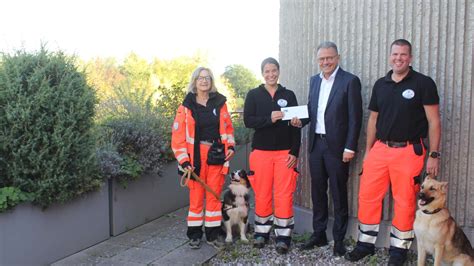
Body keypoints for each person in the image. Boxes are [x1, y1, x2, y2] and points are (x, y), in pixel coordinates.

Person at [345, 39, 441, 265]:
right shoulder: (381, 84)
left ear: (411, 58)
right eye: (395, 54)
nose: (399, 58)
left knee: (406, 200)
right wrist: (369, 151)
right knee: (367, 197)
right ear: (390, 56)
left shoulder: (423, 83)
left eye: (403, 55)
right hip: (380, 149)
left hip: (409, 150)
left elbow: (434, 121)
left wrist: (434, 155)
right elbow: (373, 120)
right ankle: (365, 244)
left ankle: (399, 250)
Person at [291, 41, 363, 256]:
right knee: (318, 191)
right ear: (318, 60)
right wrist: (299, 121)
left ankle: (339, 239)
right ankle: (319, 234)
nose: (325, 62)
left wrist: (350, 146)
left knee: (339, 193)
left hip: (338, 147)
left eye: (329, 58)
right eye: (322, 59)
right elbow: (312, 110)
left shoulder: (350, 81)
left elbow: (355, 118)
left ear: (337, 58)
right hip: (316, 145)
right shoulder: (314, 81)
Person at [171, 66, 235, 249]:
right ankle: (194, 235)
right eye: (200, 78)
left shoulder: (220, 103)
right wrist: (184, 161)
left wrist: (230, 146)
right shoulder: (185, 106)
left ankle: (213, 235)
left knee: (214, 195)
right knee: (197, 197)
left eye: (207, 77)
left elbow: (228, 129)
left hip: (216, 155)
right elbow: (178, 138)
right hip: (195, 157)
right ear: (195, 81)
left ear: (211, 81)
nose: (204, 81)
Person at [243, 57, 301, 254]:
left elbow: (297, 126)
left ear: (278, 71)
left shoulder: (289, 94)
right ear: (262, 73)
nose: (271, 74)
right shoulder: (253, 95)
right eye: (267, 71)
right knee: (263, 192)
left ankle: (283, 237)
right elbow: (248, 120)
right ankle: (261, 233)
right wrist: (269, 118)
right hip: (261, 153)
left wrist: (295, 151)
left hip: (285, 152)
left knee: (284, 194)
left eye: (274, 70)